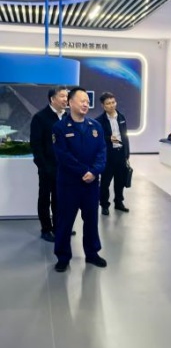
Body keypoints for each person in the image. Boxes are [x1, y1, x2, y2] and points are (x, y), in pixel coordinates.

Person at [52, 87, 107, 272]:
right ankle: (62, 257)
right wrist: (85, 171)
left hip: (91, 184)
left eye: (87, 101)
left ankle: (92, 253)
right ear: (70, 102)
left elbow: (102, 152)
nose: (85, 104)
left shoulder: (95, 126)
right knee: (65, 221)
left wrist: (95, 172)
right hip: (69, 184)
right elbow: (63, 156)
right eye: (82, 100)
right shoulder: (60, 128)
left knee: (91, 220)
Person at [29, 86, 69, 242]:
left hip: (64, 167)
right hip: (47, 167)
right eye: (62, 96)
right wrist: (44, 167)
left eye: (67, 96)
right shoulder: (40, 118)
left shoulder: (67, 117)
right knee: (45, 198)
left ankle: (59, 227)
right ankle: (46, 229)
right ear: (52, 99)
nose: (66, 99)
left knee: (60, 198)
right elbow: (36, 145)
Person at [96, 92, 131, 215]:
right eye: (108, 103)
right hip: (108, 156)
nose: (111, 105)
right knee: (105, 182)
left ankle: (119, 202)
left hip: (120, 153)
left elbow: (125, 137)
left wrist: (127, 153)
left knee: (120, 181)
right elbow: (98, 138)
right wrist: (108, 139)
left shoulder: (121, 117)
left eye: (113, 102)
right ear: (103, 105)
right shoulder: (99, 121)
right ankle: (104, 205)